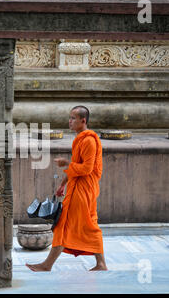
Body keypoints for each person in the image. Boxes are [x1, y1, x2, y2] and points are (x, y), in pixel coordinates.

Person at [26, 106, 108, 272]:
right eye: (69, 118)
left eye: (73, 118)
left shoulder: (89, 141)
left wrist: (66, 164)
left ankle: (47, 265)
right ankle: (100, 264)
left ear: (83, 121)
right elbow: (77, 165)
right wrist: (63, 184)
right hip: (78, 187)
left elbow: (86, 168)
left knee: (67, 224)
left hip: (84, 190)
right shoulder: (80, 139)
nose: (69, 121)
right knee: (86, 224)